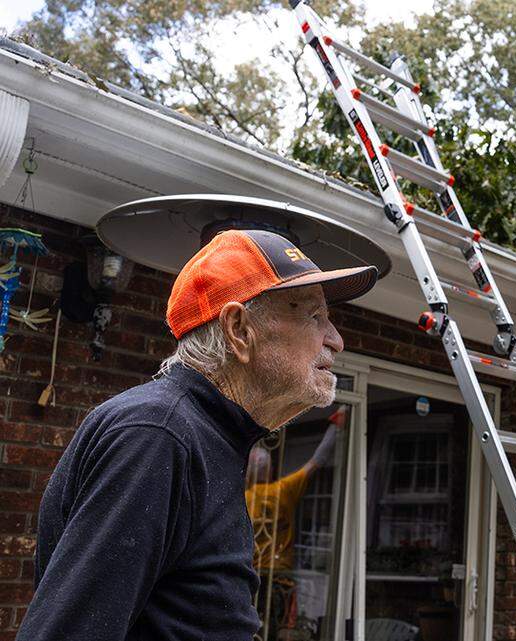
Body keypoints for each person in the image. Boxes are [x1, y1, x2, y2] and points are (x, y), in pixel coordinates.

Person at [19, 229, 380, 641]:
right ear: (239, 329)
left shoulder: (205, 436)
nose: (336, 339)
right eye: (314, 316)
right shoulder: (157, 436)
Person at [245, 406, 346, 633]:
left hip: (250, 580)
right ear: (270, 471)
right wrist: (336, 426)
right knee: (273, 630)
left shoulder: (241, 497)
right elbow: (317, 461)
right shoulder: (283, 491)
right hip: (279, 579)